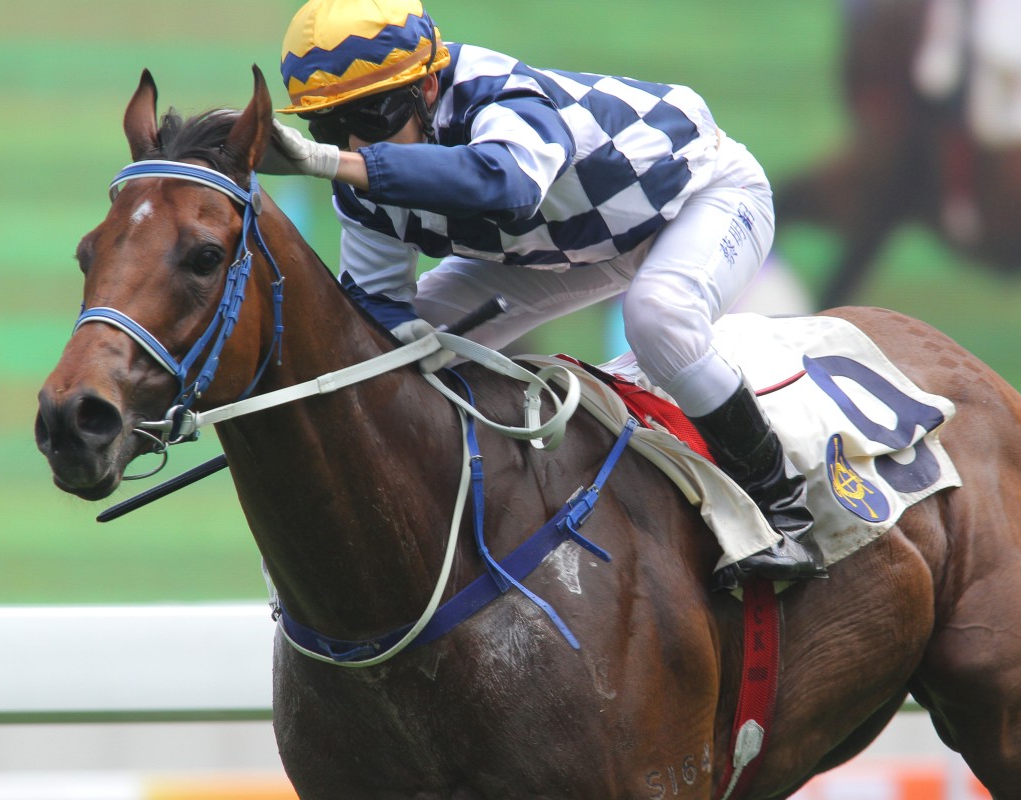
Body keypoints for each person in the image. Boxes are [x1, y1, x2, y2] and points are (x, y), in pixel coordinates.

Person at [261, 0, 826, 590]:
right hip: (563, 248)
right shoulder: (362, 185)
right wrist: (401, 339)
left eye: (373, 117)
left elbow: (507, 184)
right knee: (377, 356)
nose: (355, 143)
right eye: (328, 127)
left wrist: (333, 159)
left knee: (658, 316)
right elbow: (377, 302)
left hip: (701, 197)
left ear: (428, 86)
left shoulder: (495, 91)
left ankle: (785, 513)